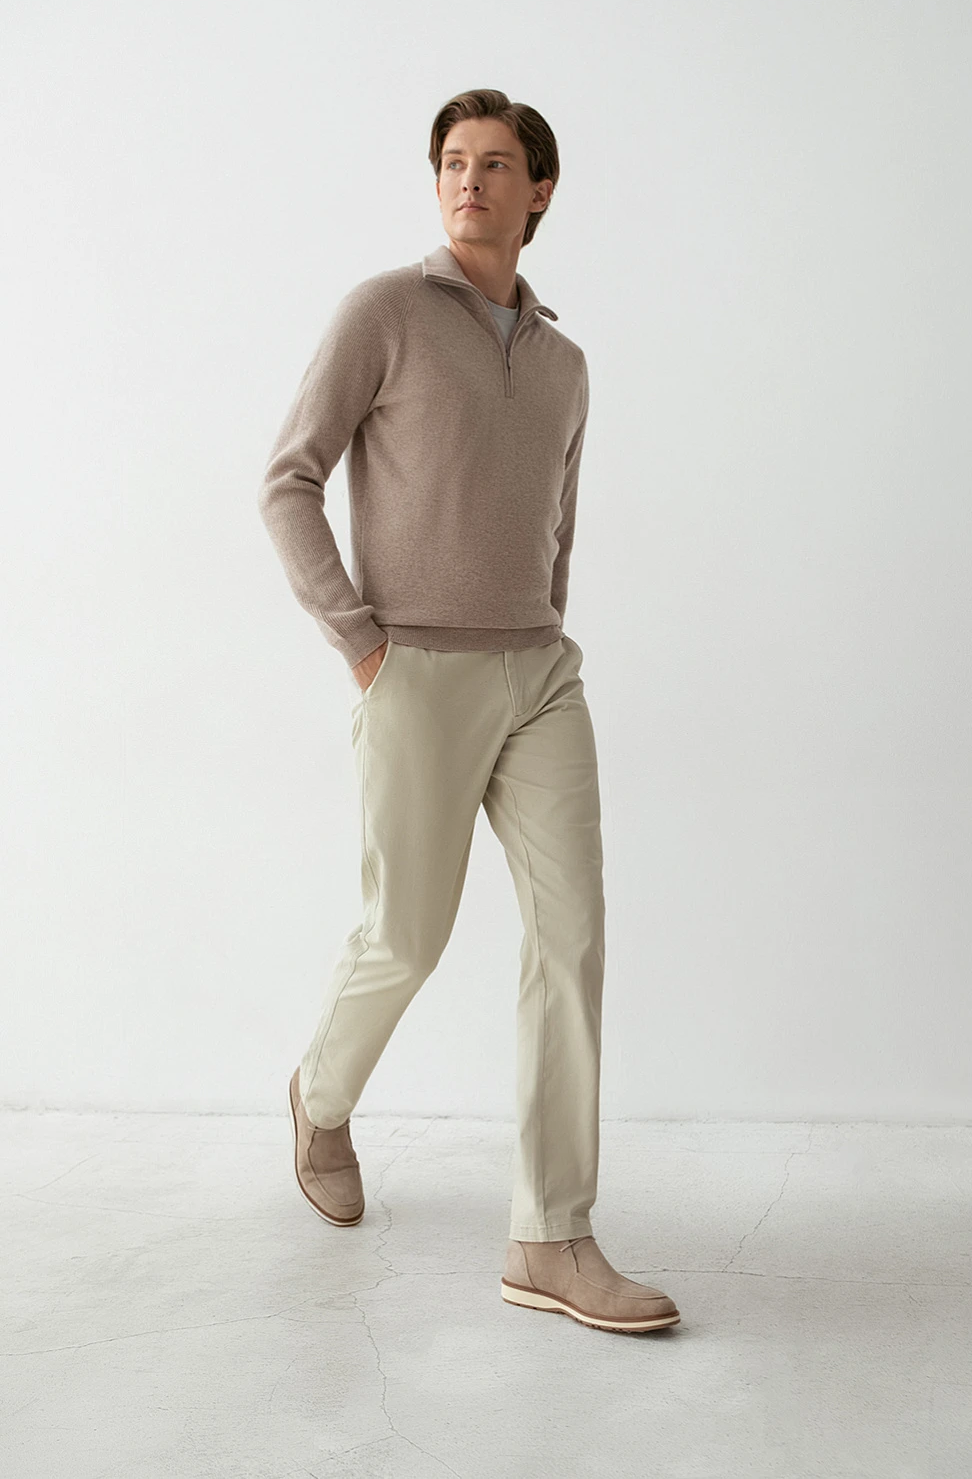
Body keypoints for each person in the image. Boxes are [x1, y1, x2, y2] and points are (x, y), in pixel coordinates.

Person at [258, 88, 679, 1334]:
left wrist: (541, 621)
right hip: (415, 669)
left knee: (572, 935)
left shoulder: (564, 363)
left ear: (539, 191)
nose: (470, 180)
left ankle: (549, 1235)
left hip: (539, 673)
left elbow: (557, 527)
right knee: (409, 933)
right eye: (453, 161)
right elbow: (287, 480)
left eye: (496, 163)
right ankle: (320, 1098)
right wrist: (361, 642)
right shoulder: (383, 312)